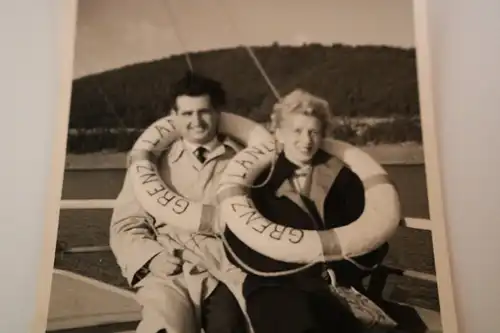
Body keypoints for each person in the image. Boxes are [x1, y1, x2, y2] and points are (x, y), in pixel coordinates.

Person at [223, 89, 390, 333]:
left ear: (323, 135)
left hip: (335, 285)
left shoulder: (343, 178)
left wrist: (339, 271)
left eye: (314, 131)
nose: (306, 140)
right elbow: (236, 241)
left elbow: (373, 237)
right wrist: (299, 271)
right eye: (297, 131)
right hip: (274, 288)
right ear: (279, 133)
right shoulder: (257, 182)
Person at [109, 71, 247, 333]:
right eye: (187, 113)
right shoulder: (150, 165)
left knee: (229, 326)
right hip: (169, 269)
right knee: (164, 327)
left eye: (204, 111)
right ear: (174, 116)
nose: (196, 121)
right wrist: (152, 258)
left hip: (222, 269)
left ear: (218, 113)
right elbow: (126, 224)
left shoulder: (244, 161)